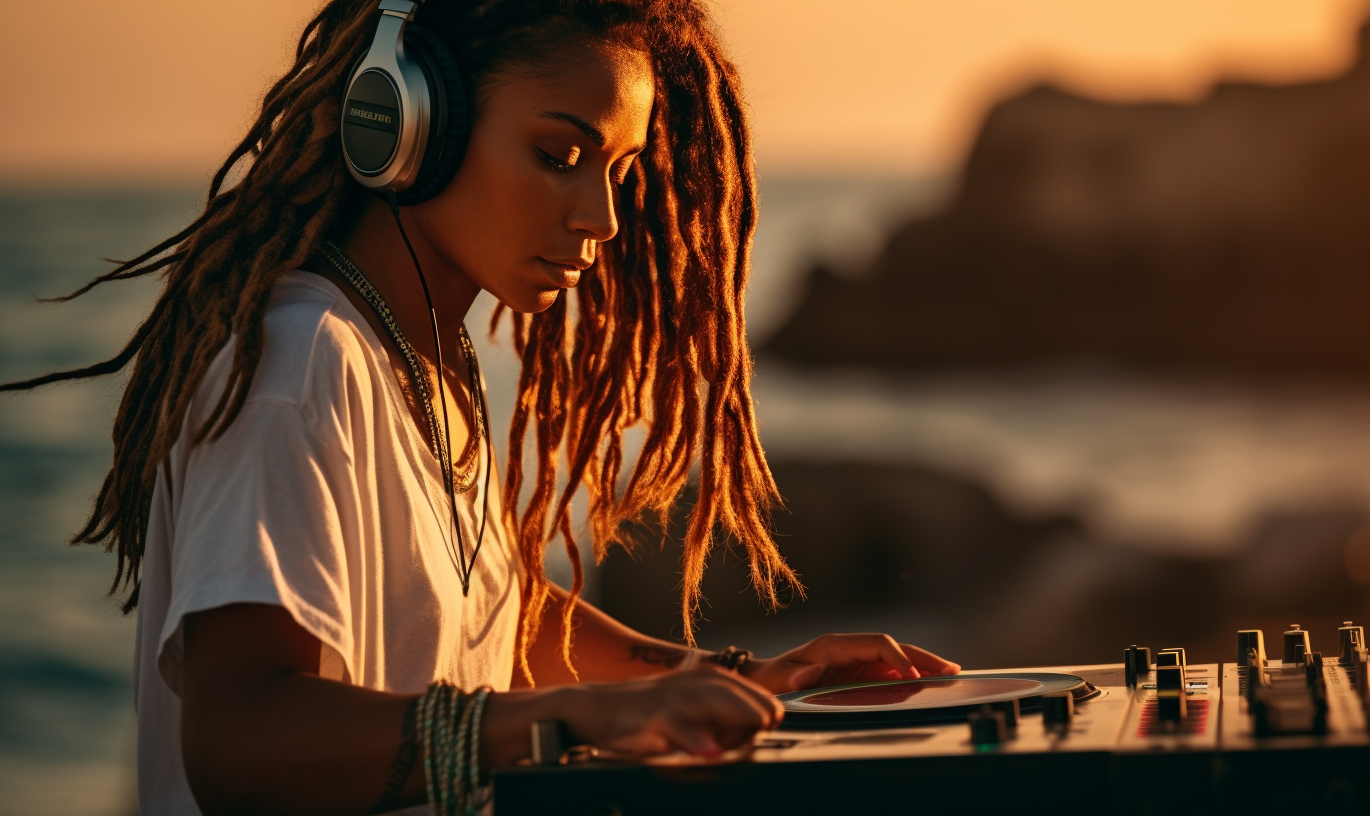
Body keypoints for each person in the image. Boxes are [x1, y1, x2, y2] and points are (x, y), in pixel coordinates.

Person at [3, 1, 959, 813]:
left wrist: (726, 680)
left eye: (618, 173)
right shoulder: (300, 366)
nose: (602, 217)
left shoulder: (423, 363)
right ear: (406, 121)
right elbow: (242, 737)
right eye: (559, 153)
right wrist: (563, 720)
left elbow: (493, 614)